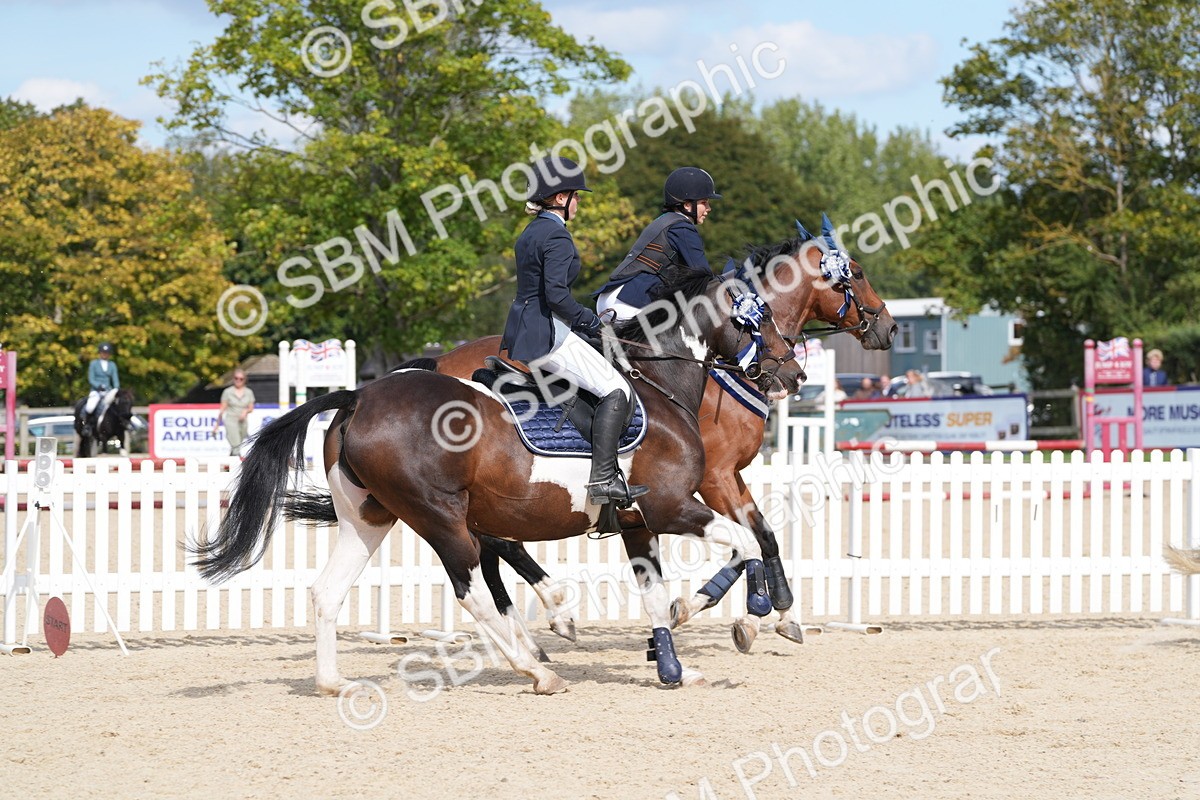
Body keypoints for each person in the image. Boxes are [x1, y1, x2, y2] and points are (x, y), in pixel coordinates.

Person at [500, 156, 647, 507]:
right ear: (560, 197)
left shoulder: (531, 231)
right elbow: (557, 296)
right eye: (576, 196)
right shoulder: (557, 235)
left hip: (524, 328)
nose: (579, 202)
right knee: (616, 389)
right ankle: (603, 480)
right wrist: (592, 322)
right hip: (547, 331)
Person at [593, 167, 722, 321]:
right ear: (687, 205)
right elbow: (705, 278)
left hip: (611, 299)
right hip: (630, 301)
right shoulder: (682, 228)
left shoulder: (665, 220)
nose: (708, 208)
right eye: (704, 202)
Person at [213, 369, 255, 456]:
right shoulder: (227, 392)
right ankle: (237, 463)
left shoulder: (249, 392)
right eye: (236, 378)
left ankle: (230, 464)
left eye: (241, 379)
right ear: (233, 379)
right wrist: (216, 425)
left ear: (244, 380)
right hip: (231, 419)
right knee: (235, 443)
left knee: (238, 442)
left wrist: (245, 411)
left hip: (243, 420)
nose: (238, 380)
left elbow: (251, 408)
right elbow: (222, 409)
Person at [83, 342, 120, 438]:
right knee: (90, 407)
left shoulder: (112, 365)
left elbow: (115, 379)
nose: (105, 354)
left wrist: (116, 389)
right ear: (100, 353)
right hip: (96, 390)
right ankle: (87, 425)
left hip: (108, 391)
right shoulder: (94, 364)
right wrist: (98, 386)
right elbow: (91, 379)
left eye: (107, 353)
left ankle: (120, 426)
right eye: (103, 352)